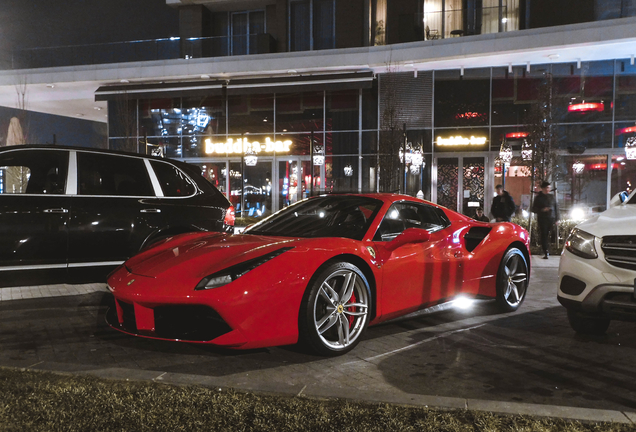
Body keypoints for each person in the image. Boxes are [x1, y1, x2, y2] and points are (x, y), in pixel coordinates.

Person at [532, 180, 559, 259]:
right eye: (547, 188)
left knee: (551, 235)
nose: (548, 189)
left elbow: (557, 208)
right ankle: (545, 251)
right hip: (542, 219)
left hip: (552, 218)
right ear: (543, 188)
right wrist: (542, 210)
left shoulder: (552, 197)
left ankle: (550, 249)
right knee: (544, 235)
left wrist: (557, 219)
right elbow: (533, 208)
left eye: (549, 188)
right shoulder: (538, 198)